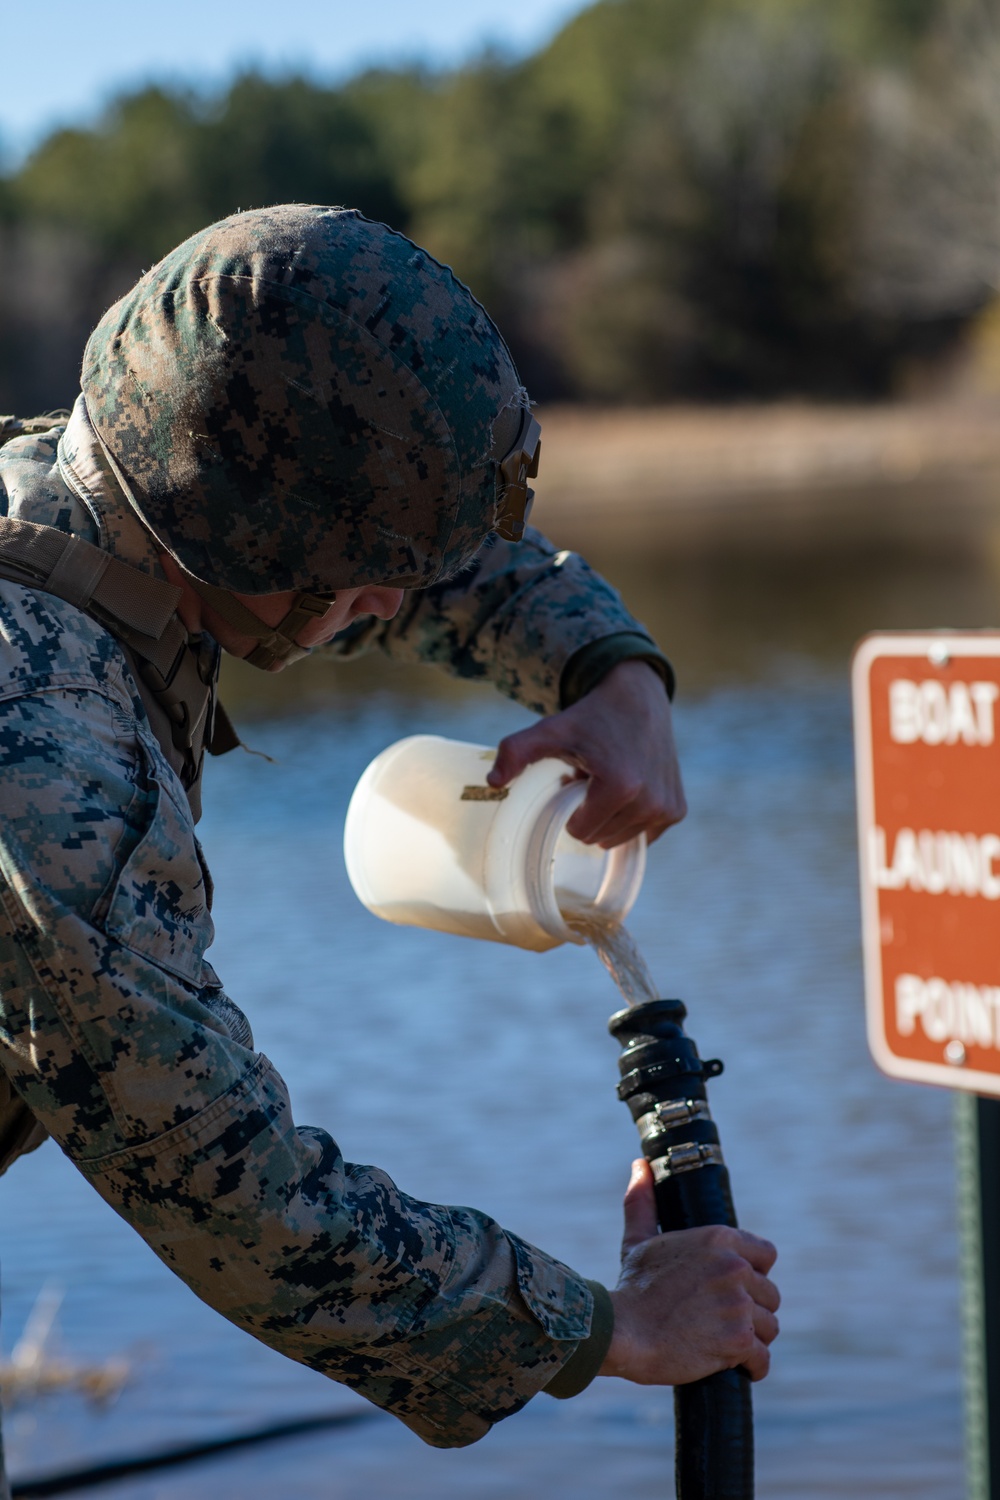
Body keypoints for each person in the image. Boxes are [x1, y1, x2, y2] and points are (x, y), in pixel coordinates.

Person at [0, 205, 779, 1486]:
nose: (390, 600)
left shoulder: (88, 505)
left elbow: (434, 571)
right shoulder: (46, 750)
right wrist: (607, 1324)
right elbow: (234, 1195)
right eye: (367, 573)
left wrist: (604, 663)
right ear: (242, 527)